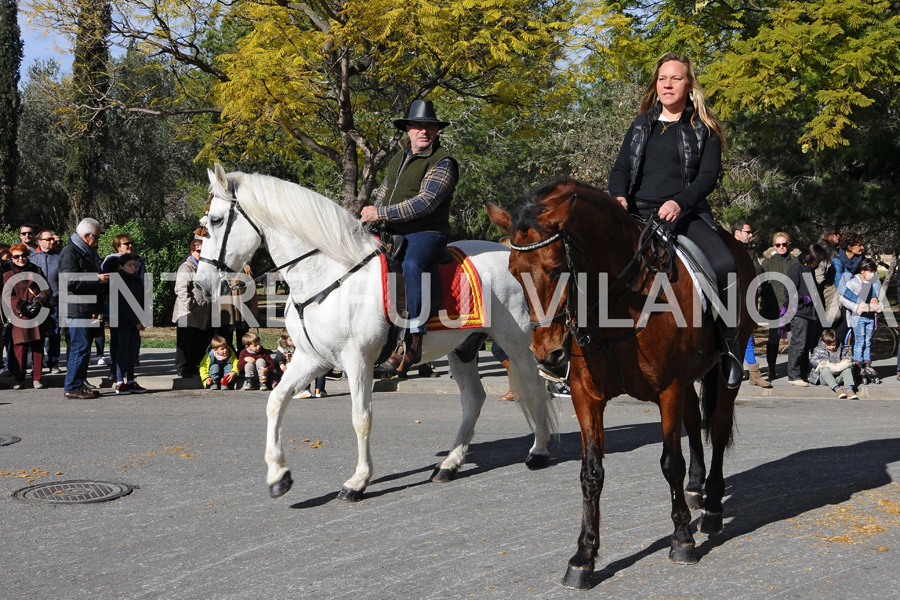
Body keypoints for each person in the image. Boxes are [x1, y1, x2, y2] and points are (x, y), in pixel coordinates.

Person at [608, 52, 742, 387]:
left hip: (684, 215)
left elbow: (708, 177)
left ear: (689, 84)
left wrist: (679, 202)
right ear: (656, 84)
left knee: (726, 264)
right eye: (662, 78)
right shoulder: (640, 124)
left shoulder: (704, 128)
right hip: (636, 214)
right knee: (587, 260)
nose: (668, 84)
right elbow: (621, 168)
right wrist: (618, 195)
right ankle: (575, 355)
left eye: (676, 78)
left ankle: (729, 350)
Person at [359, 99, 459, 373]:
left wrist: (380, 214)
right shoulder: (398, 157)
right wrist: (371, 214)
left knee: (412, 265)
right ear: (408, 129)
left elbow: (425, 202)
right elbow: (384, 190)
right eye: (418, 126)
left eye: (430, 127)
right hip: (391, 229)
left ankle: (414, 339)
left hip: (427, 232)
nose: (424, 131)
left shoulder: (444, 162)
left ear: (437, 131)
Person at [59, 218, 108, 399]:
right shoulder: (71, 253)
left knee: (84, 348)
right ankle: (72, 387)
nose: (98, 240)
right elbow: (69, 281)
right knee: (80, 348)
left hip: (86, 307)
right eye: (97, 236)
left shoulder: (85, 251)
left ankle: (79, 383)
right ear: (87, 236)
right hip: (76, 308)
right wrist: (97, 278)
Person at [2, 243, 51, 389]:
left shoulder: (37, 270)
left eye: (23, 255)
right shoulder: (7, 275)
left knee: (38, 346)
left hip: (38, 312)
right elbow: (7, 296)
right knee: (20, 347)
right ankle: (19, 379)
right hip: (21, 315)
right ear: (11, 258)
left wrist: (40, 300)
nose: (21, 258)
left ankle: (37, 378)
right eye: (16, 256)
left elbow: (46, 289)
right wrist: (22, 305)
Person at [101, 234, 148, 381]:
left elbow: (144, 287)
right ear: (117, 246)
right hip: (115, 306)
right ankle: (115, 371)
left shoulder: (138, 262)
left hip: (134, 308)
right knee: (117, 340)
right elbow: (105, 284)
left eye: (130, 243)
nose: (129, 246)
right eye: (126, 244)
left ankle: (130, 372)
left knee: (133, 341)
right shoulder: (109, 261)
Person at [732, 221, 770, 388]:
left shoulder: (750, 251)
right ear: (737, 233)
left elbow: (758, 271)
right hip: (733, 299)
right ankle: (742, 371)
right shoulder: (729, 249)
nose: (750, 235)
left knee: (747, 336)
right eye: (747, 232)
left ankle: (752, 373)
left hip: (749, 298)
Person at [784, 243, 826, 386]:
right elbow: (788, 292)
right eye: (817, 260)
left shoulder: (810, 271)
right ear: (811, 257)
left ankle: (803, 373)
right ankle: (793, 375)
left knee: (807, 345)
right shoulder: (796, 269)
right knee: (798, 344)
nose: (818, 264)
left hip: (811, 314)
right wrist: (804, 298)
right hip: (799, 313)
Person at [759, 232, 799, 380]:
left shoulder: (795, 261)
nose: (782, 247)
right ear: (774, 245)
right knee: (773, 339)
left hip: (793, 305)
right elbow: (763, 283)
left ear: (789, 244)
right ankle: (771, 369)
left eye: (784, 244)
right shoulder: (768, 262)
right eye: (778, 245)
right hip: (774, 306)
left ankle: (795, 370)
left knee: (794, 339)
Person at [839, 257, 882, 383]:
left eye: (874, 272)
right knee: (859, 341)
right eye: (870, 272)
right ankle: (858, 365)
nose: (872, 275)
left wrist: (879, 306)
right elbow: (842, 298)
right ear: (862, 271)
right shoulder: (853, 282)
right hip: (858, 317)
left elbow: (879, 298)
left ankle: (867, 364)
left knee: (868, 341)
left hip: (870, 317)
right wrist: (856, 307)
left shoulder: (874, 283)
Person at [172, 238, 211, 378]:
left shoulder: (204, 267)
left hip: (201, 313)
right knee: (185, 342)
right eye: (197, 251)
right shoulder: (186, 267)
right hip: (187, 312)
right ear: (191, 251)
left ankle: (194, 366)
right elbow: (181, 290)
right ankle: (182, 368)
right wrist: (191, 304)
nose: (200, 253)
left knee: (197, 342)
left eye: (202, 251)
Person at [110, 253, 148, 394]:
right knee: (122, 350)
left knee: (133, 351)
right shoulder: (118, 281)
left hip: (135, 321)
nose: (133, 267)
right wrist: (135, 321)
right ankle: (120, 381)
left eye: (133, 264)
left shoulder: (136, 280)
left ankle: (131, 380)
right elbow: (122, 305)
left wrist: (142, 318)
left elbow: (141, 300)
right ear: (121, 267)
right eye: (129, 265)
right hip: (123, 321)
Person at [31, 230, 62, 373]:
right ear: (40, 242)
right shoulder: (32, 258)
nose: (52, 241)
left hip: (55, 301)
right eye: (48, 239)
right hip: (37, 303)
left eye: (52, 239)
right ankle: (36, 363)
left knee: (55, 333)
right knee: (37, 334)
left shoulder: (59, 258)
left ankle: (53, 362)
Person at [832, 233, 866, 345]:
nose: (862, 248)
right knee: (840, 333)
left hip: (858, 298)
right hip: (843, 300)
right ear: (850, 247)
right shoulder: (837, 261)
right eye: (859, 245)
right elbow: (840, 287)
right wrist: (858, 301)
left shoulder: (862, 260)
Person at [809, 328, 857, 399]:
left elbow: (849, 356)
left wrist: (846, 359)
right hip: (825, 378)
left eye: (834, 344)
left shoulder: (840, 348)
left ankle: (849, 390)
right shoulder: (818, 349)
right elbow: (812, 360)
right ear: (824, 342)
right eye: (829, 345)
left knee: (847, 369)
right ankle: (837, 389)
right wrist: (827, 363)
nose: (832, 347)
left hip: (838, 376)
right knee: (825, 369)